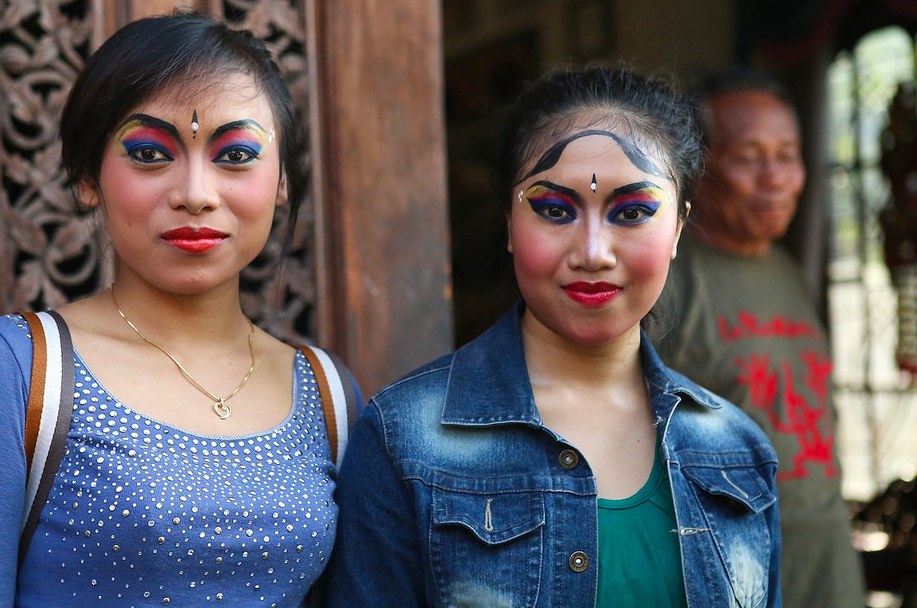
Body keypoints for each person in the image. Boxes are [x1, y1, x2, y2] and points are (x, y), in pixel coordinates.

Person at [0, 12, 358, 607]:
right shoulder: (15, 372)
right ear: (89, 177)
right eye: (149, 153)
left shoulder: (327, 395)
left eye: (237, 154)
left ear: (281, 181)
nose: (195, 193)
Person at [324, 66, 782, 607]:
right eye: (553, 210)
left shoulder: (736, 452)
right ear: (510, 226)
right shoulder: (403, 440)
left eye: (632, 212)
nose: (592, 252)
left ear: (679, 228)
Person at [651, 68, 866, 608]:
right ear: (698, 167)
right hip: (727, 563)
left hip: (826, 554)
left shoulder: (789, 272)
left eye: (787, 154)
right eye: (749, 156)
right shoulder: (665, 282)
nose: (775, 177)